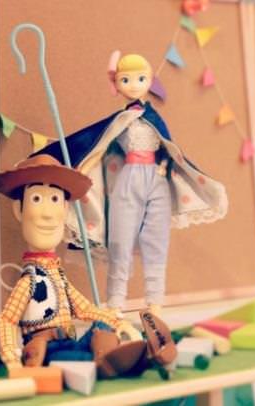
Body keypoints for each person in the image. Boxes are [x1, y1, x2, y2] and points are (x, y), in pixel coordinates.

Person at [34, 53, 228, 316]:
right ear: (116, 84)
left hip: (156, 182)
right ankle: (115, 303)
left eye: (140, 79)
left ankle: (154, 304)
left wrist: (165, 167)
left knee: (156, 241)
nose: (134, 85)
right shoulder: (120, 120)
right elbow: (97, 145)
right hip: (127, 180)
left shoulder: (154, 118)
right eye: (126, 80)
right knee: (120, 241)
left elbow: (169, 150)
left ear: (149, 80)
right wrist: (81, 170)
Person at [0, 154, 157, 379]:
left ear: (65, 209)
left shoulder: (59, 277)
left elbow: (84, 309)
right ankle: (107, 362)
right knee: (80, 361)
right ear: (19, 210)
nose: (47, 214)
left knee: (101, 326)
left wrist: (117, 321)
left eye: (54, 200)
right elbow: (8, 319)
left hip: (71, 340)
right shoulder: (30, 281)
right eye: (37, 199)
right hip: (49, 351)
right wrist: (11, 357)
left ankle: (114, 356)